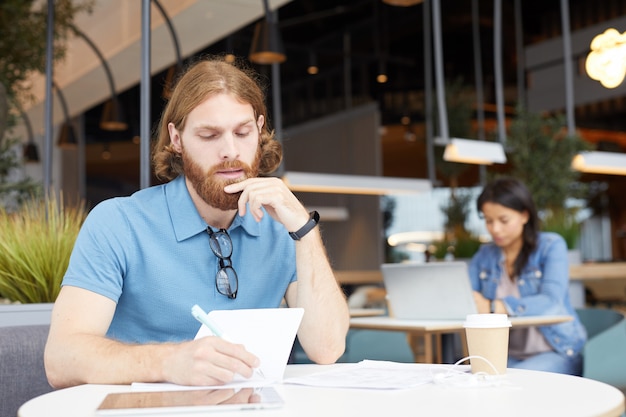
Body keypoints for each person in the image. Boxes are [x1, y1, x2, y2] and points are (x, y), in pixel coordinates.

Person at [44, 57, 350, 388]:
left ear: (260, 129)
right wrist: (169, 362)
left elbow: (327, 349)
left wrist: (304, 229)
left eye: (243, 132)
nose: (230, 151)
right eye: (209, 135)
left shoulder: (282, 229)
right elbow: (62, 359)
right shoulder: (118, 223)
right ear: (176, 138)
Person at [468, 177, 586, 375]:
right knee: (465, 381)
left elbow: (551, 302)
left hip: (555, 351)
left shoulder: (551, 246)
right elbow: (468, 300)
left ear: (524, 215)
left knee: (511, 382)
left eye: (503, 220)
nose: (495, 229)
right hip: (505, 356)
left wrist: (495, 306)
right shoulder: (484, 256)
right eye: (488, 221)